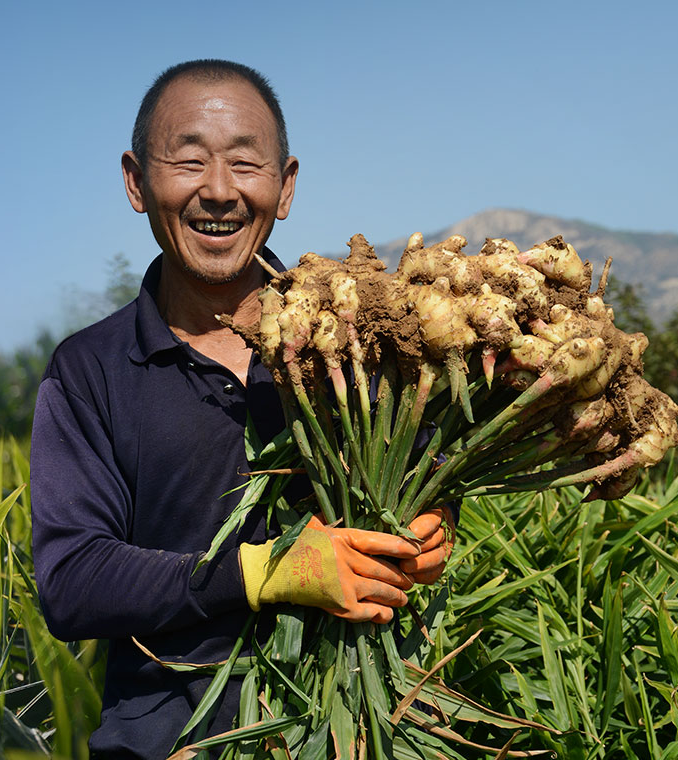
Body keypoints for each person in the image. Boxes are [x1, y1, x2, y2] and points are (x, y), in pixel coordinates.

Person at [28, 60, 455, 759]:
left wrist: (433, 527)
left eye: (246, 164)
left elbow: (428, 469)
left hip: (364, 732)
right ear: (136, 182)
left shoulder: (361, 342)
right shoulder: (89, 370)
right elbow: (73, 581)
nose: (220, 191)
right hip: (172, 743)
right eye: (189, 161)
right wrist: (262, 572)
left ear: (284, 187)